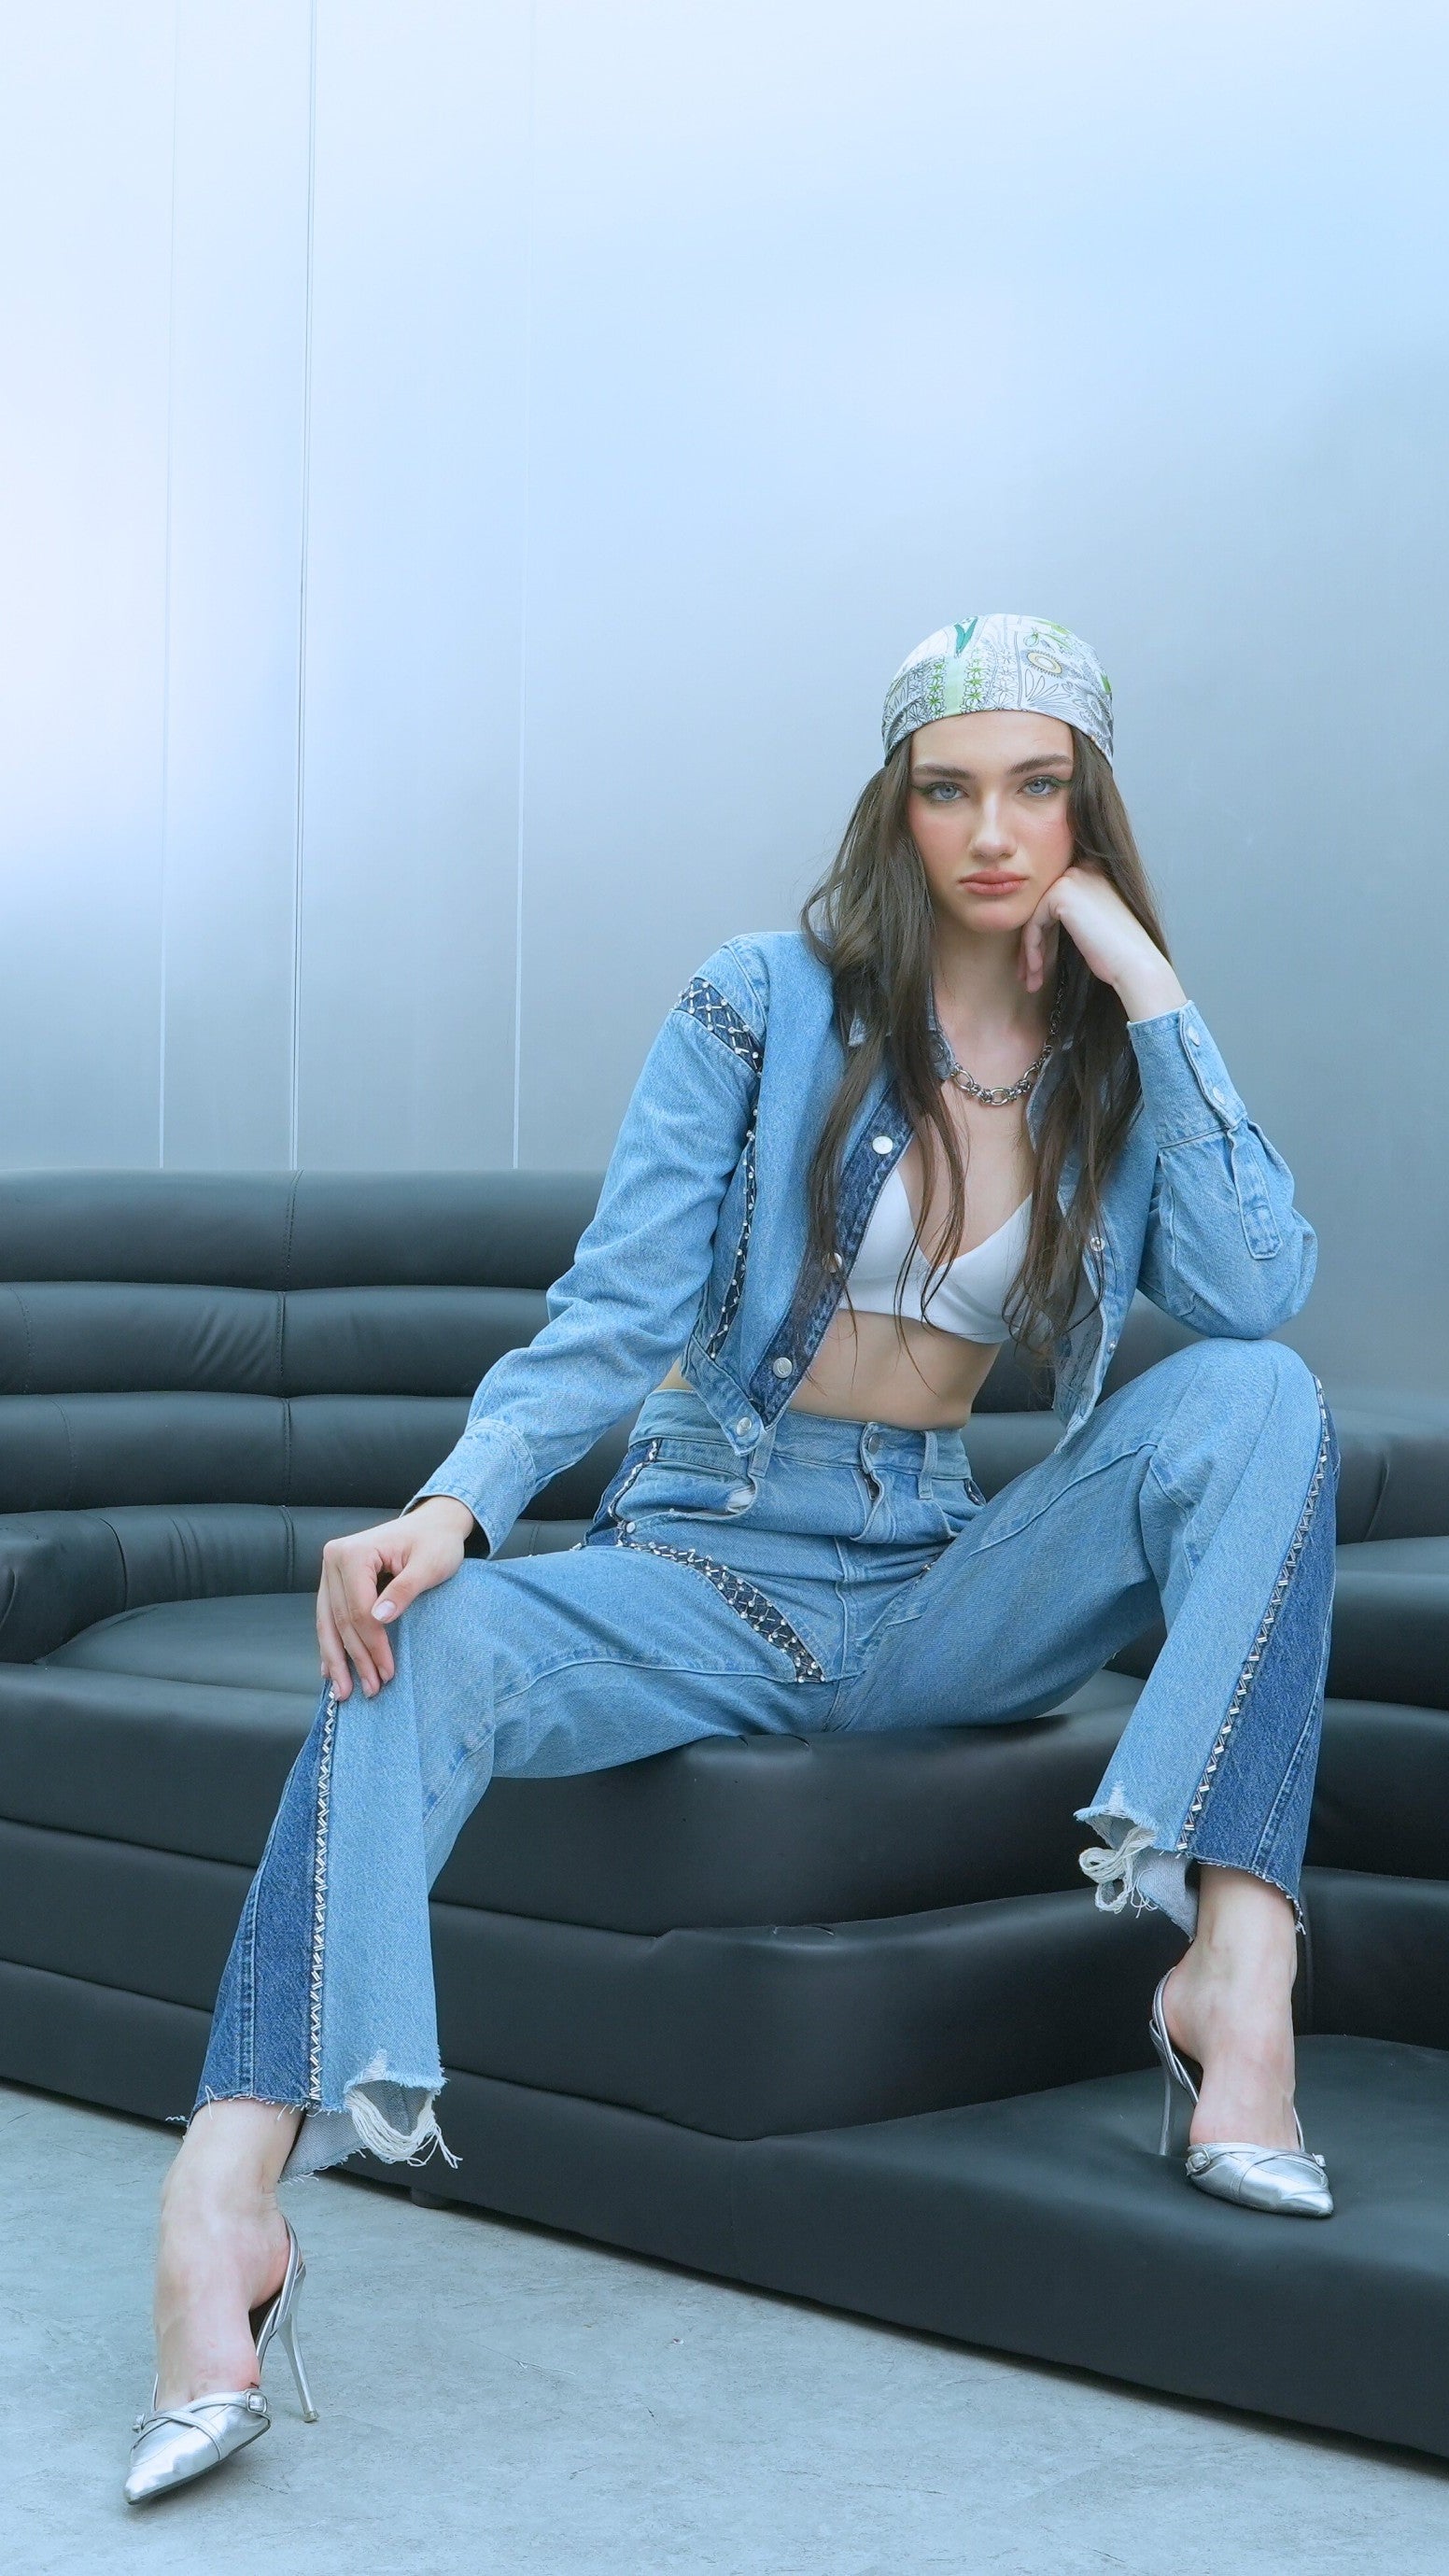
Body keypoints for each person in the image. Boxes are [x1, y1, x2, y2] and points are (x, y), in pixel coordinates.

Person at [125, 614, 1338, 2504]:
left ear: (1085, 806)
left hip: (940, 1582)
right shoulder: (761, 1002)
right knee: (409, 1644)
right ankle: (226, 2203)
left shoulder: (1106, 1053)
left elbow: (1255, 1289)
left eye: (1037, 788)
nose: (991, 831)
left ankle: (1229, 1976)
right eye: (948, 788)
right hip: (707, 1569)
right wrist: (455, 1502)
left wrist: (1143, 980)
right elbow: (612, 1313)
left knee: (1260, 1398)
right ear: (895, 802)